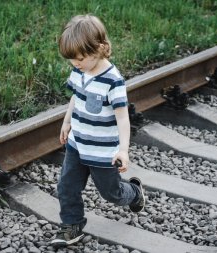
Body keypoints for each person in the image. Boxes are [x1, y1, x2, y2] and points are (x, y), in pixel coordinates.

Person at [50, 14, 145, 248]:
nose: (75, 63)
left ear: (100, 49)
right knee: (67, 186)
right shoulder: (79, 70)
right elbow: (76, 96)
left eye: (80, 58)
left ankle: (133, 192)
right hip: (77, 143)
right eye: (71, 59)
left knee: (111, 194)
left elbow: (123, 118)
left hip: (103, 151)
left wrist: (123, 150)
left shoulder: (113, 81)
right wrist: (66, 120)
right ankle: (72, 225)